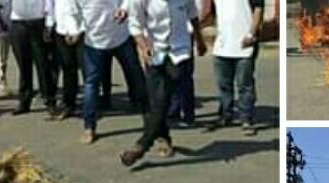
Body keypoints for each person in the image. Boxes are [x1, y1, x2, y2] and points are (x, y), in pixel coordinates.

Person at [119, 0, 208, 166]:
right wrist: (144, 47)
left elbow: (193, 16)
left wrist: (199, 40)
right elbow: (135, 26)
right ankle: (163, 137)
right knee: (157, 102)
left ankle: (141, 145)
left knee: (163, 99)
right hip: (154, 51)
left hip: (179, 52)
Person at [57, 0, 148, 144]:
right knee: (91, 85)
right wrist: (73, 30)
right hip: (94, 43)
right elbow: (70, 12)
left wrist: (124, 9)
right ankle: (89, 127)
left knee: (137, 78)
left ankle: (153, 125)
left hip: (121, 38)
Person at [212, 0, 263, 135]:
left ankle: (246, 119)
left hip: (244, 45)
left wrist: (251, 34)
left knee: (244, 85)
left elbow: (258, 9)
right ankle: (225, 115)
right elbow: (210, 12)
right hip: (222, 46)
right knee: (223, 84)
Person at [8, 0, 57, 115]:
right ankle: (24, 101)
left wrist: (49, 24)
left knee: (42, 63)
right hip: (17, 22)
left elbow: (48, 3)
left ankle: (49, 100)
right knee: (23, 65)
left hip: (38, 22)